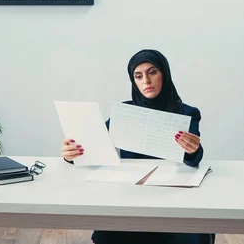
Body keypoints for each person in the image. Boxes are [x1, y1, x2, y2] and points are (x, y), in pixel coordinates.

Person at [60, 49, 214, 244]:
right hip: (131, 199)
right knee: (107, 235)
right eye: (138, 76)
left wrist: (192, 150)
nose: (146, 81)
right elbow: (91, 146)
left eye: (152, 72)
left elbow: (193, 159)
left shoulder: (186, 113)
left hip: (175, 199)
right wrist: (70, 154)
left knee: (192, 237)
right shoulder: (125, 113)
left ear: (164, 75)